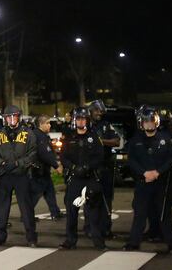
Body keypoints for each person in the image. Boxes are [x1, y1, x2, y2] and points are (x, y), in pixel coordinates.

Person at [122, 105, 172, 254]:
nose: (149, 124)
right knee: (140, 213)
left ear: (156, 122)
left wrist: (158, 172)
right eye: (146, 121)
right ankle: (134, 243)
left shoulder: (165, 139)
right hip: (143, 182)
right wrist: (144, 173)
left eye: (151, 121)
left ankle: (171, 245)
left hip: (161, 183)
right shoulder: (136, 140)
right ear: (142, 123)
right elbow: (131, 160)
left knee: (164, 214)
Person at [58, 107, 106, 250]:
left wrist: (87, 167)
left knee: (93, 213)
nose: (81, 121)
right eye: (78, 118)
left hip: (90, 178)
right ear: (74, 121)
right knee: (71, 211)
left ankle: (99, 243)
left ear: (87, 120)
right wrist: (73, 168)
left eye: (83, 118)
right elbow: (63, 156)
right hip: (75, 179)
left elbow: (100, 157)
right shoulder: (69, 137)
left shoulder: (94, 137)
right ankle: (70, 241)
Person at [0, 105, 38, 247]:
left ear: (19, 117)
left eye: (14, 116)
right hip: (5, 175)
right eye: (8, 117)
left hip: (21, 175)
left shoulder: (28, 134)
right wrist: (2, 164)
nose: (11, 119)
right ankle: (0, 237)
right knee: (2, 208)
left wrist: (18, 163)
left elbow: (33, 154)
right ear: (5, 119)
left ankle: (31, 238)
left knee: (26, 208)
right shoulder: (0, 134)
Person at [88, 100, 118, 237]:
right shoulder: (86, 126)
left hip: (105, 166)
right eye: (96, 111)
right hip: (90, 168)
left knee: (106, 199)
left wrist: (100, 141)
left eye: (100, 111)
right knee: (89, 199)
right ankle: (90, 228)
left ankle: (106, 229)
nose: (99, 113)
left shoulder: (106, 126)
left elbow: (116, 141)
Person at [30, 114, 62, 221]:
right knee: (35, 194)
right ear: (40, 124)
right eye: (47, 123)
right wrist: (56, 165)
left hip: (43, 170)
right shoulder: (39, 136)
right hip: (39, 171)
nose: (49, 126)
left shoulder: (39, 135)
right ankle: (27, 215)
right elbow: (45, 154)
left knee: (50, 192)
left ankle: (55, 212)